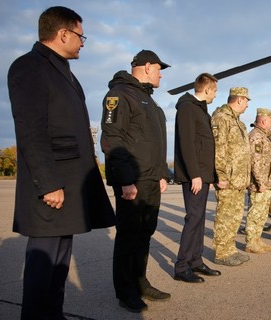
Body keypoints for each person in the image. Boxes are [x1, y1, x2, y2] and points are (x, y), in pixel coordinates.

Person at [7, 6, 116, 319]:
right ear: (63, 33)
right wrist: (49, 183)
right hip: (51, 185)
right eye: (81, 36)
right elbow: (30, 130)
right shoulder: (29, 67)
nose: (83, 42)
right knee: (44, 264)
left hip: (68, 183)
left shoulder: (65, 72)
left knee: (59, 264)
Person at [101, 49, 172, 312]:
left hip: (152, 179)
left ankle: (141, 281)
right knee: (129, 237)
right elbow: (112, 139)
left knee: (145, 235)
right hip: (134, 180)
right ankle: (125, 290)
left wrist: (163, 174)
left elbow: (157, 143)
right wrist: (125, 180)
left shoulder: (149, 101)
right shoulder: (120, 95)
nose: (161, 74)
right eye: (159, 68)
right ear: (146, 66)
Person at [173, 73, 222, 283]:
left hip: (203, 175)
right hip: (195, 176)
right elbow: (187, 143)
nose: (215, 95)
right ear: (207, 89)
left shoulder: (201, 110)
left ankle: (196, 261)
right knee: (193, 219)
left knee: (200, 219)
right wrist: (194, 175)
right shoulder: (187, 108)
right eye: (215, 91)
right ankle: (182, 266)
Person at [211, 87, 252, 266]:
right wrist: (220, 175)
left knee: (235, 217)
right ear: (240, 99)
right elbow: (218, 148)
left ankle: (230, 248)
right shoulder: (221, 118)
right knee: (225, 216)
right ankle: (221, 252)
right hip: (227, 178)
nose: (248, 105)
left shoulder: (239, 123)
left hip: (239, 179)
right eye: (247, 101)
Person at [245, 108, 271, 253]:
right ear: (264, 120)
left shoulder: (263, 135)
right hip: (260, 184)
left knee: (261, 214)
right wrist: (261, 183)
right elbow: (255, 161)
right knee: (255, 213)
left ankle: (257, 239)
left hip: (267, 183)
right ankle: (251, 243)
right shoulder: (256, 136)